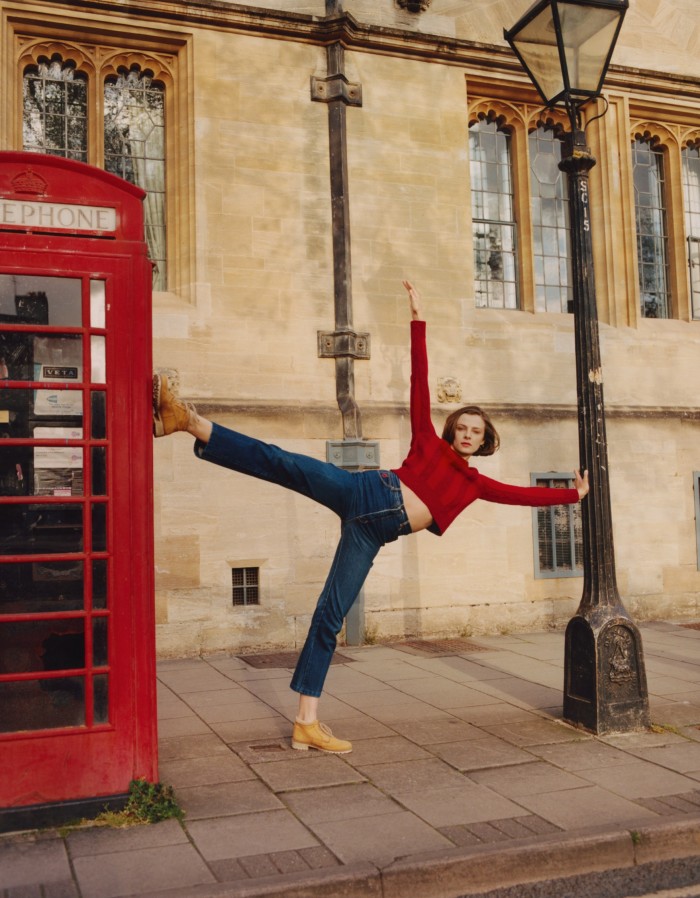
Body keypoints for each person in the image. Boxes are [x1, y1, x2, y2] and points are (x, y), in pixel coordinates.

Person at [152, 281, 589, 755]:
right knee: (281, 461)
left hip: (371, 533)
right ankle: (188, 421)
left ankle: (306, 723)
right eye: (461, 427)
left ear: (484, 441)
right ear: (451, 430)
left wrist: (573, 495)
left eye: (474, 432)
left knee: (329, 615)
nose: (465, 434)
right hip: (360, 489)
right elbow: (418, 382)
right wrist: (417, 318)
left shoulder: (475, 485)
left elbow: (522, 495)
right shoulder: (427, 440)